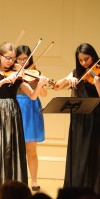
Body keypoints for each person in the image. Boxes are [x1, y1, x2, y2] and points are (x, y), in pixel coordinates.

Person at [0, 42, 49, 199]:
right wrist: (3, 81)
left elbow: (33, 96)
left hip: (12, 112)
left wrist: (40, 84)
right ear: (0, 57)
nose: (11, 61)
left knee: (12, 150)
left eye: (13, 58)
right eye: (7, 58)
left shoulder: (19, 74)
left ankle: (13, 191)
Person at [53, 43, 100, 195]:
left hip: (96, 117)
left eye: (86, 59)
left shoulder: (97, 73)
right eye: (80, 60)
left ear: (93, 56)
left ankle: (93, 189)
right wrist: (69, 80)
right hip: (80, 119)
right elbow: (57, 86)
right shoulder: (77, 73)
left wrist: (97, 82)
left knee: (93, 153)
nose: (84, 63)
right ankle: (76, 188)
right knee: (78, 152)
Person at [16, 45, 47, 191]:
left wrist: (41, 83)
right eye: (20, 58)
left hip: (32, 108)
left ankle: (34, 181)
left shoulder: (36, 72)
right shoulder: (14, 72)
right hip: (17, 107)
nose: (22, 61)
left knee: (31, 149)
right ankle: (18, 179)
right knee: (16, 149)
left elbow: (44, 94)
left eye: (25, 58)